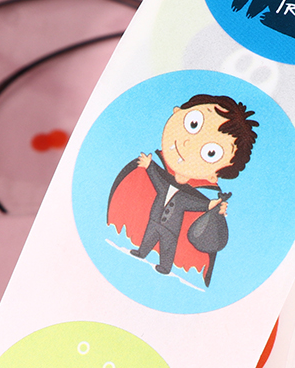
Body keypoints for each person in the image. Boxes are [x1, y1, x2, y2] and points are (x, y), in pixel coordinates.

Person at [107, 94, 258, 283]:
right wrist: (149, 166)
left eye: (211, 152)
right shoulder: (153, 175)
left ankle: (165, 266)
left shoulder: (190, 196)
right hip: (154, 219)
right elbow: (157, 180)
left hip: (171, 228)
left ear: (214, 176)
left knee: (168, 246)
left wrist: (213, 207)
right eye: (193, 124)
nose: (188, 144)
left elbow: (197, 205)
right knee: (149, 237)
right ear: (177, 112)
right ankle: (141, 252)